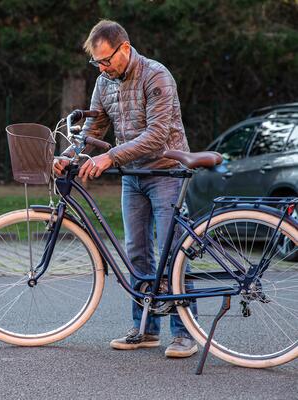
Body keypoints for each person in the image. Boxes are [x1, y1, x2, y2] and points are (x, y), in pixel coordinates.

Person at [53, 20, 198, 358]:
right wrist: (68, 156)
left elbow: (158, 134)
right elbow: (94, 126)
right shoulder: (105, 82)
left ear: (125, 49)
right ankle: (145, 329)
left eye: (106, 60)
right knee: (137, 252)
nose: (102, 68)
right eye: (97, 63)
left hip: (166, 173)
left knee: (173, 251)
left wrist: (110, 157)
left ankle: (184, 334)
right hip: (132, 176)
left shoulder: (156, 75)